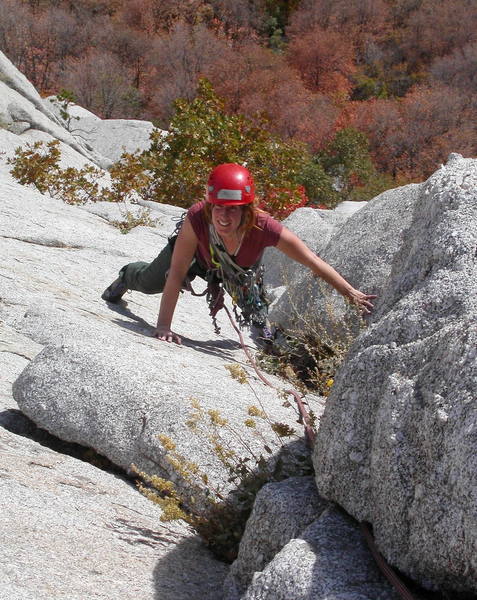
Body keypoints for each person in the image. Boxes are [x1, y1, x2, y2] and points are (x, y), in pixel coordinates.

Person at [102, 163, 376, 344]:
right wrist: (164, 326)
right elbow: (176, 270)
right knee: (150, 282)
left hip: (239, 272)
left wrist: (349, 293)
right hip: (197, 258)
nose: (223, 214)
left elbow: (312, 261)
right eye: (218, 207)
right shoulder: (198, 217)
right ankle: (126, 276)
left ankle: (267, 337)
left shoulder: (265, 228)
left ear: (247, 208)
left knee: (256, 310)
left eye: (233, 208)